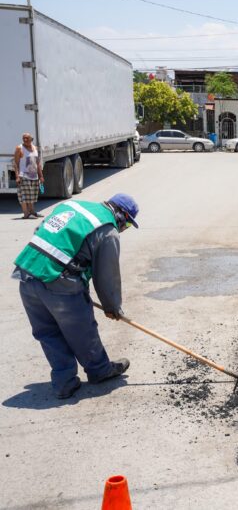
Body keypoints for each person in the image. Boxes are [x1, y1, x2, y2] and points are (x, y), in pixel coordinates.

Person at [12, 194, 139, 399]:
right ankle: (99, 370)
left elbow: (42, 232)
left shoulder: (73, 206)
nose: (124, 229)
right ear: (122, 215)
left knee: (48, 333)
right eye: (128, 225)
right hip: (59, 282)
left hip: (27, 274)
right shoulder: (107, 230)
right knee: (82, 331)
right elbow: (107, 276)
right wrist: (112, 306)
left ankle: (64, 382)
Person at [13, 133, 44, 219]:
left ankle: (32, 211)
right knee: (23, 196)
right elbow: (15, 163)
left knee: (32, 196)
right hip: (23, 175)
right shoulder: (19, 148)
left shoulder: (35, 148)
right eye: (23, 138)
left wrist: (41, 176)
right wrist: (17, 176)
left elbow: (38, 163)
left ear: (31, 139)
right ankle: (26, 213)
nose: (25, 140)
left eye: (27, 138)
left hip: (34, 176)